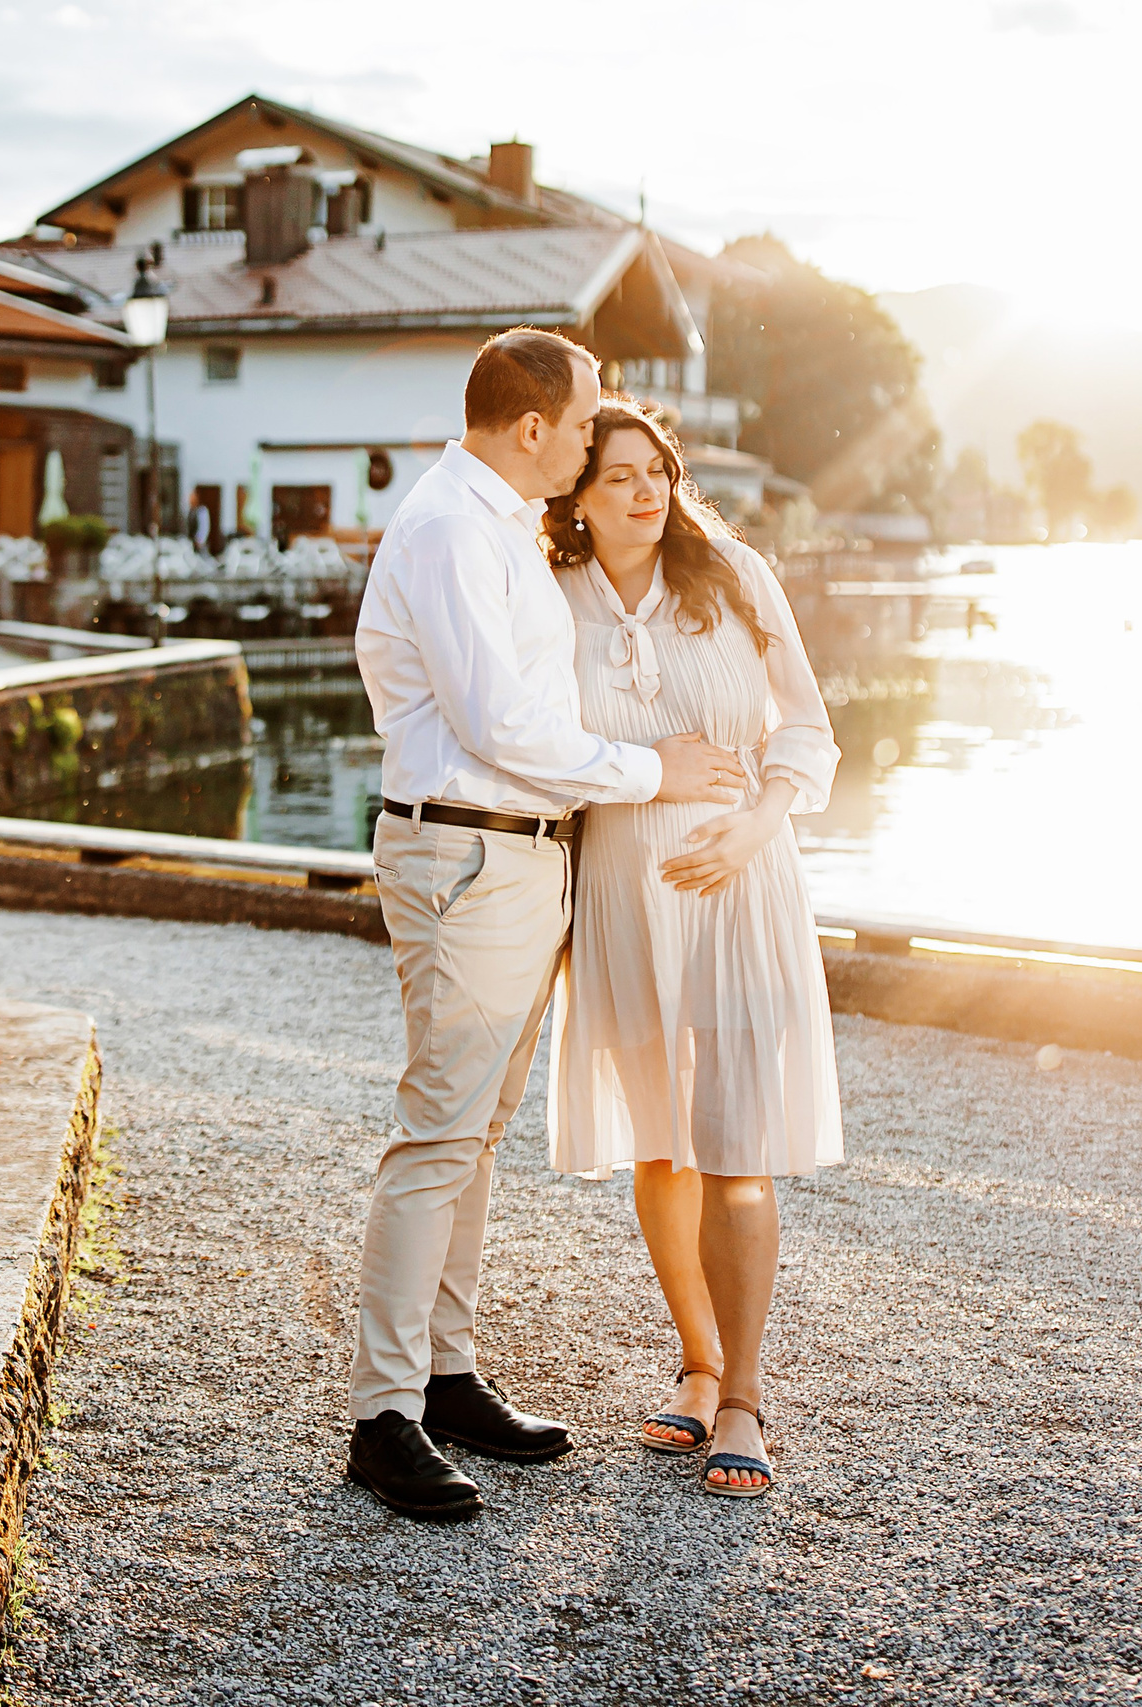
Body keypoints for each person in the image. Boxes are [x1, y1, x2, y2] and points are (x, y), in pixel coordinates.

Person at [349, 329, 748, 1520]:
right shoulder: (451, 530)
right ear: (531, 428)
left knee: (473, 1130)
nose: (590, 443)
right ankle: (382, 1414)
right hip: (470, 845)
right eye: (583, 426)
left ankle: (444, 1372)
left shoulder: (496, 524)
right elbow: (501, 727)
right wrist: (652, 771)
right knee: (439, 1131)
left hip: (512, 854)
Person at [544, 399, 843, 1499]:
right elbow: (535, 741)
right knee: (660, 1145)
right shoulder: (550, 596)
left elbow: (805, 727)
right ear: (575, 493)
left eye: (655, 470)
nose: (643, 490)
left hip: (741, 884)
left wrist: (760, 822)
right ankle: (696, 1359)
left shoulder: (733, 575)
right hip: (621, 885)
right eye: (616, 474)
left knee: (736, 1144)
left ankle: (746, 1398)